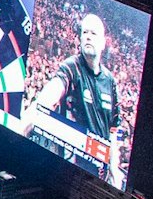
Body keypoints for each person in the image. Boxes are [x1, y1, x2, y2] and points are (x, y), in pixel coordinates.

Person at [36, 12, 124, 175]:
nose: (88, 36)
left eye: (93, 33)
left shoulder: (110, 81)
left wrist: (114, 169)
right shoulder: (72, 67)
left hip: (98, 177)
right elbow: (48, 97)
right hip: (68, 171)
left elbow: (113, 129)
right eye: (85, 32)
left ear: (103, 42)